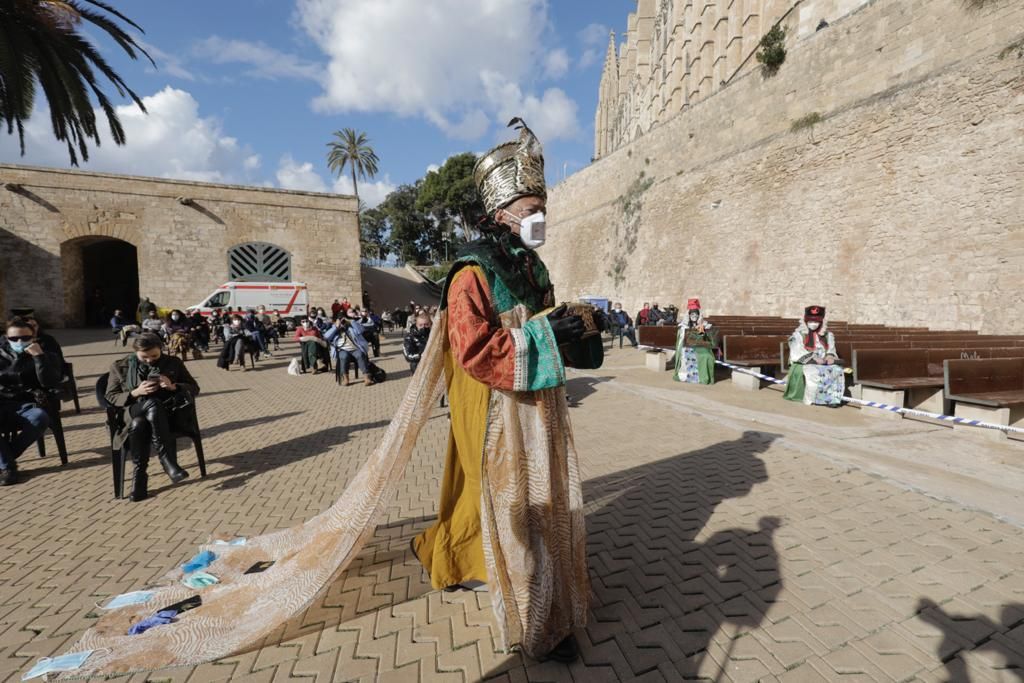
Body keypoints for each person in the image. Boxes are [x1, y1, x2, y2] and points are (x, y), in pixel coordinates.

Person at [411, 119, 605, 663]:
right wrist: (546, 334)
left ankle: (549, 594)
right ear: (501, 215)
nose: (539, 217)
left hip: (538, 403)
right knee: (515, 503)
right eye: (530, 208)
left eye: (543, 206)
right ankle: (534, 620)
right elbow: (474, 350)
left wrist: (580, 329)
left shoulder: (530, 265)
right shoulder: (470, 273)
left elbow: (541, 320)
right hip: (496, 407)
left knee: (545, 501)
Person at [105, 333, 198, 501]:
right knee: (151, 405)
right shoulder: (120, 366)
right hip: (133, 409)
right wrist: (135, 392)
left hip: (166, 415)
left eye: (154, 356)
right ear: (135, 353)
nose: (149, 360)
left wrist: (173, 386)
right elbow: (110, 396)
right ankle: (167, 461)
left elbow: (194, 388)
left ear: (161, 349)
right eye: (144, 357)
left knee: (140, 424)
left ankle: (139, 479)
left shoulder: (173, 363)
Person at [0, 317, 62, 485]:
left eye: (25, 338)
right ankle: (8, 468)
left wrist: (39, 358)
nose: (19, 341)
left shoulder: (47, 355)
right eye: (14, 339)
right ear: (6, 338)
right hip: (2, 403)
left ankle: (6, 458)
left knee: (39, 417)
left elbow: (51, 382)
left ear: (33, 337)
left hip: (28, 403)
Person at [783, 305, 845, 406]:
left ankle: (831, 399)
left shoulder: (828, 335)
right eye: (810, 321)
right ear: (805, 321)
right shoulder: (798, 335)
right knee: (813, 371)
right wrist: (813, 358)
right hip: (804, 363)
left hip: (823, 362)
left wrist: (830, 356)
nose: (813, 324)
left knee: (836, 370)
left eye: (816, 322)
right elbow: (796, 352)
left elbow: (831, 349)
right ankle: (812, 399)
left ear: (821, 322)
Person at [674, 298, 718, 384]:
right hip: (687, 347)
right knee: (699, 356)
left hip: (700, 346)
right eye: (692, 314)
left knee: (707, 356)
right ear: (689, 315)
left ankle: (705, 377)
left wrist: (701, 328)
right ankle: (693, 376)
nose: (694, 316)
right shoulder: (684, 325)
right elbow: (683, 338)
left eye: (696, 314)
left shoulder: (701, 324)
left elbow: (703, 337)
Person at [324, 317, 373, 385]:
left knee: (360, 355)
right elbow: (326, 336)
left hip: (355, 348)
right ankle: (345, 378)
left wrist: (351, 321)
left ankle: (366, 377)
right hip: (342, 349)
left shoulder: (351, 327)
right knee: (344, 357)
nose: (342, 323)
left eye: (343, 321)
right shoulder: (334, 328)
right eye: (340, 321)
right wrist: (336, 327)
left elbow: (361, 330)